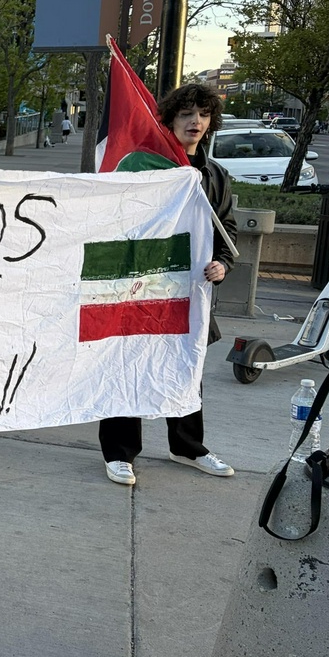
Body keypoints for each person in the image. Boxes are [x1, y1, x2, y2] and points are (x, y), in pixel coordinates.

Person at [100, 83, 236, 486]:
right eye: (186, 114)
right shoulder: (146, 171)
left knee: (186, 367)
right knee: (130, 366)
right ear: (170, 120)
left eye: (204, 115)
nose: (196, 122)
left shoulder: (214, 175)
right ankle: (119, 454)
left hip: (189, 293)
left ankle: (188, 447)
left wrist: (222, 265)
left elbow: (225, 230)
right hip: (143, 290)